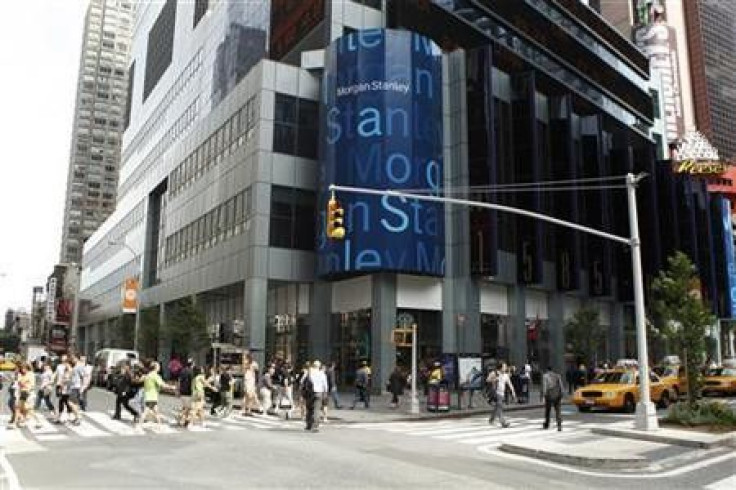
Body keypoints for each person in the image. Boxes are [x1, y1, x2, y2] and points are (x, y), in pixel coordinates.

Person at [140, 361, 171, 426]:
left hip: (148, 395)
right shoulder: (155, 375)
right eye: (158, 366)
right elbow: (162, 385)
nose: (159, 368)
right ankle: (139, 425)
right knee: (146, 412)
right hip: (152, 396)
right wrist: (172, 387)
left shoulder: (148, 375)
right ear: (155, 368)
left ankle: (160, 425)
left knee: (156, 411)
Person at [487, 362, 516, 428]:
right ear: (500, 368)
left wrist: (513, 391)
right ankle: (503, 422)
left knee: (497, 407)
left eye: (505, 367)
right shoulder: (494, 373)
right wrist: (494, 379)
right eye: (504, 367)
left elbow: (509, 383)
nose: (505, 368)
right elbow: (487, 380)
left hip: (502, 394)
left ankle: (491, 420)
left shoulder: (505, 375)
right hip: (496, 393)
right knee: (500, 407)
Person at [305, 360, 328, 432]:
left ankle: (309, 424)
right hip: (319, 393)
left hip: (310, 393)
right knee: (317, 410)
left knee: (309, 409)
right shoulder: (322, 374)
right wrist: (325, 393)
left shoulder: (309, 373)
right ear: (319, 366)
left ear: (313, 365)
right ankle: (315, 426)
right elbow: (325, 385)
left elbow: (302, 381)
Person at [542, 366, 564, 431]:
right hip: (557, 394)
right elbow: (561, 386)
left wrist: (544, 395)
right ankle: (559, 425)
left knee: (548, 410)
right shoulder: (557, 375)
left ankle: (547, 424)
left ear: (547, 370)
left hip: (549, 395)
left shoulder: (545, 376)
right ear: (552, 370)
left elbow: (544, 386)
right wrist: (561, 395)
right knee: (558, 410)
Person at [177, 359, 194, 426]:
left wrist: (178, 390)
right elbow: (192, 382)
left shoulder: (182, 371)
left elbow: (179, 380)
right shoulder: (191, 372)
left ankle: (185, 421)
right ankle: (181, 418)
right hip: (188, 391)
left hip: (182, 391)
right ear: (192, 364)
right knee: (188, 408)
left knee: (185, 407)